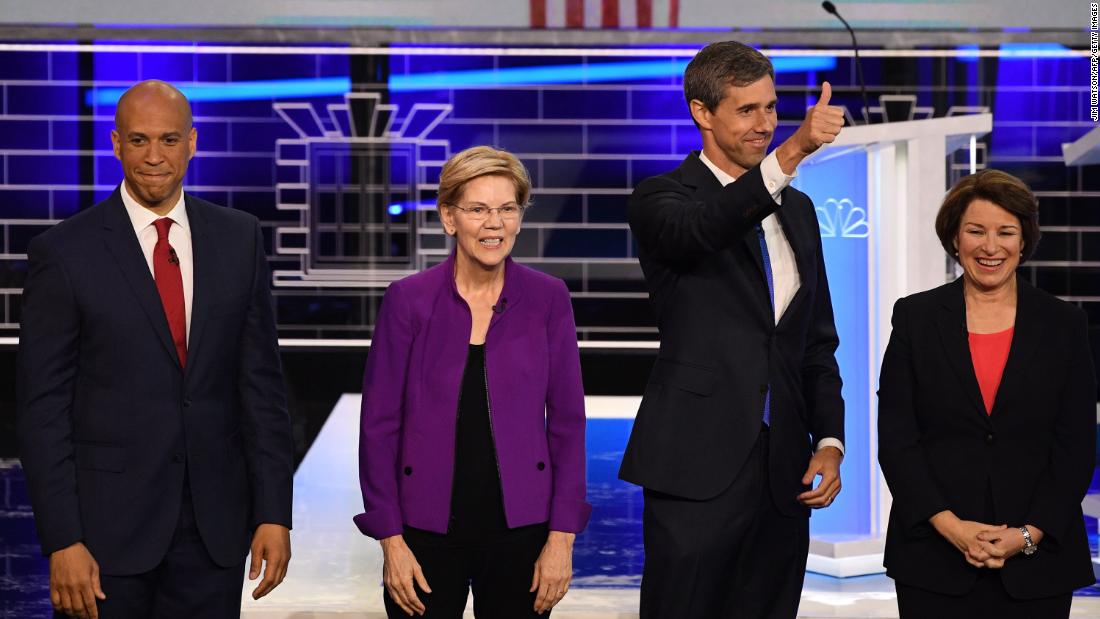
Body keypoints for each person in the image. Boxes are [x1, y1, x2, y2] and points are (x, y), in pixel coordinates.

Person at [16, 80, 294, 619]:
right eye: (139, 141)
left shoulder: (239, 238)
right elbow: (42, 410)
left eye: (168, 140)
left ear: (193, 143)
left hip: (214, 535)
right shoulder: (64, 251)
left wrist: (273, 513)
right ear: (115, 144)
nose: (154, 156)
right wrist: (62, 539)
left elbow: (261, 388)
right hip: (103, 540)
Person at [618, 40, 847, 618]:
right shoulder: (661, 199)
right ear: (702, 112)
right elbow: (705, 230)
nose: (765, 124)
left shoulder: (797, 211)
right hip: (696, 465)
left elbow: (815, 341)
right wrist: (794, 150)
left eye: (771, 108)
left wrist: (829, 439)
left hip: (784, 473)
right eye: (747, 110)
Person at [354, 146, 591, 618]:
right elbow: (379, 427)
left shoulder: (548, 299)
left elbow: (567, 424)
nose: (494, 224)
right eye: (478, 210)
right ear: (449, 218)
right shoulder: (408, 301)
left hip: (523, 533)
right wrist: (391, 541)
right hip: (424, 532)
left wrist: (561, 541)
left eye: (507, 209)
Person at [877, 169, 1096, 617]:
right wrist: (952, 527)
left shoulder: (1063, 325)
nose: (991, 247)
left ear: (1024, 241)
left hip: (1039, 559)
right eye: (976, 231)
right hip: (934, 557)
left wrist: (1028, 533)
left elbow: (1075, 445)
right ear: (955, 239)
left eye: (1005, 232)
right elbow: (898, 440)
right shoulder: (915, 318)